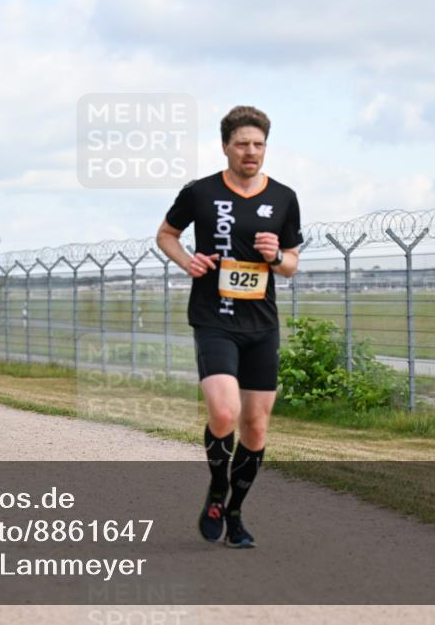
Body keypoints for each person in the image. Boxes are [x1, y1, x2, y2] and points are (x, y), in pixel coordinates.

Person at [156, 106, 303, 548]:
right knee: (224, 413)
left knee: (255, 427)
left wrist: (276, 256)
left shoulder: (284, 197)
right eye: (242, 144)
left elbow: (292, 265)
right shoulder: (200, 192)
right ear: (225, 147)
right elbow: (166, 234)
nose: (251, 152)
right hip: (213, 318)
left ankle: (234, 511)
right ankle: (217, 488)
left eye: (258, 144)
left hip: (261, 324)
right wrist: (188, 261)